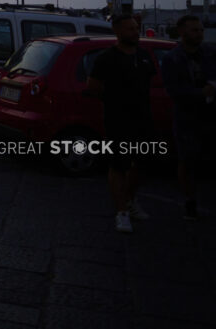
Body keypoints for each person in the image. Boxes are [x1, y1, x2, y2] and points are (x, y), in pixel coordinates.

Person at [87, 14, 157, 232]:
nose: (135, 32)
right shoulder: (107, 58)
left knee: (142, 164)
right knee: (118, 166)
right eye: (129, 29)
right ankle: (122, 212)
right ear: (117, 31)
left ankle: (129, 200)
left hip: (143, 120)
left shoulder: (144, 56)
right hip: (118, 121)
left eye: (136, 28)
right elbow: (93, 87)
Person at [161, 15, 216, 219]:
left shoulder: (211, 53)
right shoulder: (172, 58)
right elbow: (174, 90)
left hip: (211, 115)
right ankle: (190, 202)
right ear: (182, 32)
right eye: (194, 30)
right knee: (187, 161)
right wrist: (201, 93)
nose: (199, 34)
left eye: (201, 30)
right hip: (188, 118)